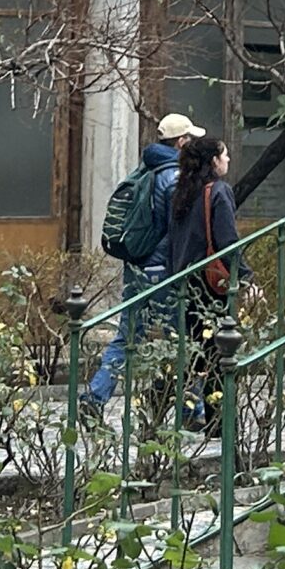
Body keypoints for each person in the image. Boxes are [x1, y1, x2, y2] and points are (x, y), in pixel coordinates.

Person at [80, 111, 198, 419]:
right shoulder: (173, 177)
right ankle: (193, 411)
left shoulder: (144, 170)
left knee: (128, 337)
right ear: (181, 142)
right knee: (180, 340)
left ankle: (94, 398)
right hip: (162, 272)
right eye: (191, 140)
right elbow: (178, 228)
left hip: (136, 268)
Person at [157, 133, 241, 430]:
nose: (228, 159)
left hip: (184, 282)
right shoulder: (218, 191)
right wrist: (246, 277)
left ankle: (155, 406)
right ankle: (219, 422)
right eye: (224, 154)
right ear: (213, 161)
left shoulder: (183, 191)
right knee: (219, 352)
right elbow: (227, 241)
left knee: (191, 353)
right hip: (211, 284)